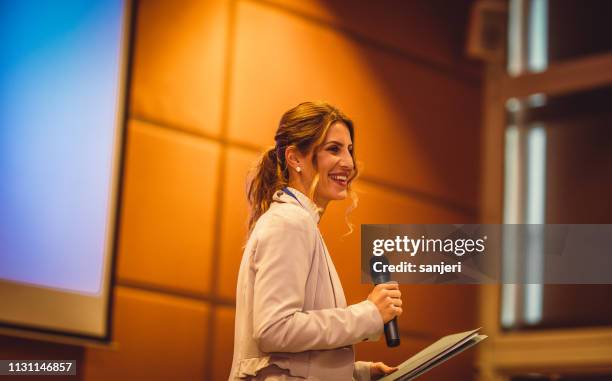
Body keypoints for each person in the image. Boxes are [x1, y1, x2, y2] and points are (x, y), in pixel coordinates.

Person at [230, 101, 403, 380]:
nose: (348, 163)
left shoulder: (299, 222)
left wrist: (356, 373)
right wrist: (369, 314)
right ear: (295, 158)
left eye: (349, 150)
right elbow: (275, 329)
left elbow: (286, 360)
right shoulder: (290, 222)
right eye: (333, 149)